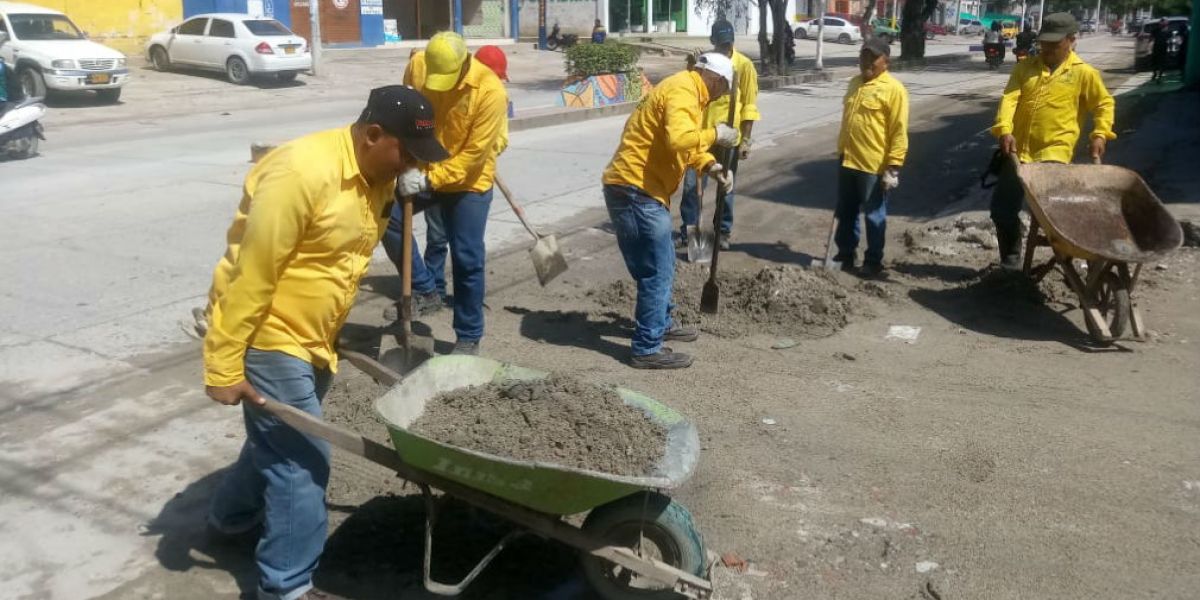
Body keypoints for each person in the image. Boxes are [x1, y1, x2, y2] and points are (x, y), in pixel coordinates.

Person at [203, 86, 448, 600]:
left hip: (318, 335)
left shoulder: (376, 174)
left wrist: (411, 188)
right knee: (303, 459)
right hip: (270, 334)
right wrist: (224, 365)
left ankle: (230, 519)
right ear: (372, 134)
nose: (408, 165)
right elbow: (253, 274)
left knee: (277, 436)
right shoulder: (301, 173)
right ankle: (286, 587)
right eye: (406, 153)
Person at [602, 53, 737, 369]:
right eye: (724, 89)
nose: (723, 96)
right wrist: (716, 134)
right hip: (638, 191)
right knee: (658, 270)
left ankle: (659, 325)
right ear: (715, 80)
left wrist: (712, 165)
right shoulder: (683, 91)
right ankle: (647, 348)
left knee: (650, 269)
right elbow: (679, 140)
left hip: (628, 187)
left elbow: (686, 147)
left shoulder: (686, 90)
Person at [384, 32, 508, 356]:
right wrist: (408, 162)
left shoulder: (490, 92)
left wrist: (427, 181)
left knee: (467, 257)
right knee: (386, 215)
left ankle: (468, 336)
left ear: (465, 63)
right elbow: (407, 113)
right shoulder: (419, 65)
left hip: (469, 183)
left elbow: (471, 158)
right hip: (426, 168)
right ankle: (426, 290)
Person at [991, 12, 1115, 269]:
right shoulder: (1025, 68)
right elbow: (1010, 99)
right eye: (1043, 43)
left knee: (1055, 217)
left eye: (1054, 44)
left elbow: (1104, 104)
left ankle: (1067, 259)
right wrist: (1005, 129)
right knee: (1002, 210)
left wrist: (1100, 133)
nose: (1046, 49)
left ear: (1071, 41)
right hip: (1018, 153)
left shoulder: (1084, 74)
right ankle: (1011, 261)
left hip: (1054, 155)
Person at [678, 19, 760, 251]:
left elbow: (750, 106)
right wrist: (690, 68)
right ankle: (690, 232)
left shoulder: (743, 66)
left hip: (727, 139)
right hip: (703, 137)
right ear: (713, 42)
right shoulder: (705, 63)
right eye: (720, 44)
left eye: (728, 44)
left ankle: (722, 231)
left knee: (726, 187)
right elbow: (692, 92)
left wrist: (745, 140)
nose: (725, 49)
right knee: (693, 187)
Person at [832, 38, 908, 278]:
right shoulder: (854, 83)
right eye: (863, 56)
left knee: (874, 214)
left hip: (872, 165)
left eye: (872, 58)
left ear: (886, 62)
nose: (866, 62)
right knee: (846, 211)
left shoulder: (894, 90)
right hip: (848, 159)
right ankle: (845, 254)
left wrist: (893, 167)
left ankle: (873, 260)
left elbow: (899, 130)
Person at [1151, 18, 1170, 82]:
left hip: (1163, 48)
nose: (1163, 24)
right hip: (1156, 48)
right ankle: (1155, 74)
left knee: (1162, 62)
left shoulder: (1168, 31)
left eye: (1164, 23)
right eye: (1162, 22)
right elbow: (1151, 38)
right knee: (1155, 62)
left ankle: (1160, 75)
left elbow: (1170, 39)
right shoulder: (1155, 30)